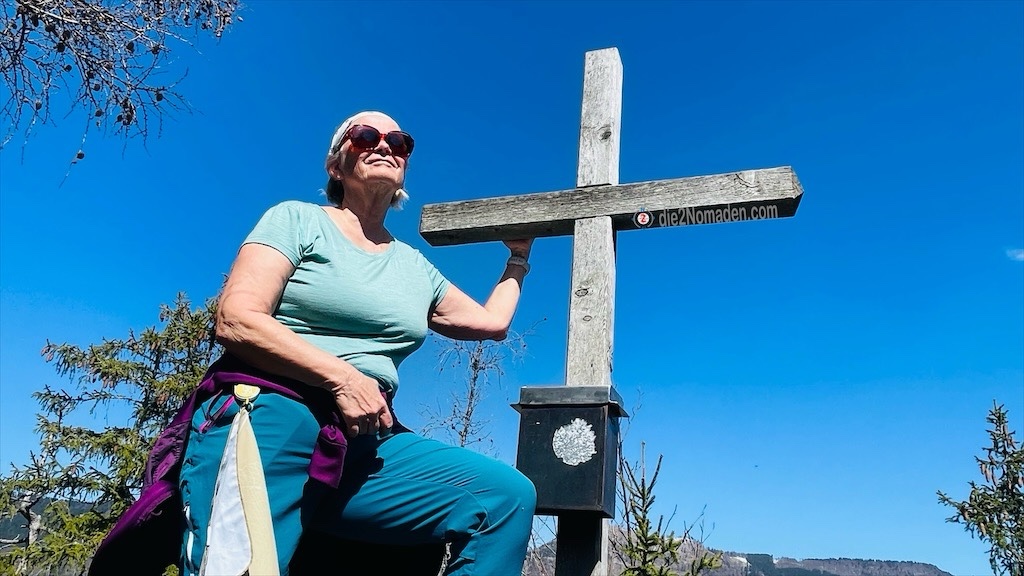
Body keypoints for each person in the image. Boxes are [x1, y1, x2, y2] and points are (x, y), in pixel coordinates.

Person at [178, 110, 538, 575]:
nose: (385, 145)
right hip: (276, 412)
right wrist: (343, 378)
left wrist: (518, 257)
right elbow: (237, 319)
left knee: (502, 498)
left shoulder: (414, 266)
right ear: (335, 165)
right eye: (365, 136)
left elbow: (492, 323)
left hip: (366, 442)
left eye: (399, 141)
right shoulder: (297, 220)